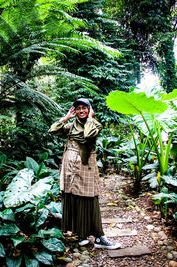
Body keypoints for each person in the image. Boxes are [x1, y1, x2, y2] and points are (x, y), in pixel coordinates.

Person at [49, 98, 121, 249]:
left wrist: (90, 119)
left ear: (89, 109)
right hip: (70, 164)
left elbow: (88, 135)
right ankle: (80, 234)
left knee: (89, 197)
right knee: (73, 196)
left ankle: (99, 236)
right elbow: (53, 129)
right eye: (78, 108)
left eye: (84, 108)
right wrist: (67, 117)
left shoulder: (95, 124)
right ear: (74, 110)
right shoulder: (70, 126)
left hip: (86, 164)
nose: (81, 111)